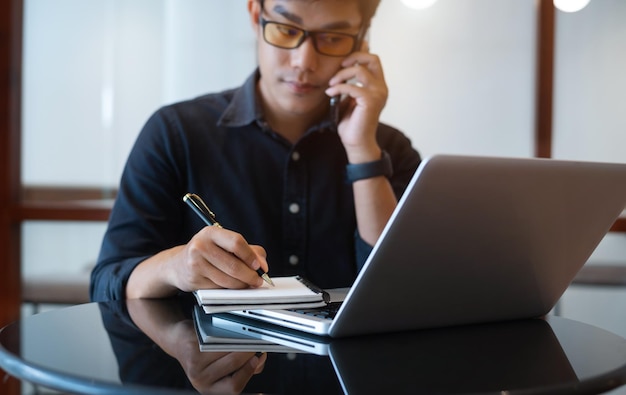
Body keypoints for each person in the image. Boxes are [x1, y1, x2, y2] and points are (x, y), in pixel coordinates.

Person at [90, 0, 421, 302]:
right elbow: (108, 280)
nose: (303, 61)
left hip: (345, 369)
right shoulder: (175, 132)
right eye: (287, 30)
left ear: (361, 42)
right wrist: (174, 267)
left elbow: (404, 290)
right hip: (210, 362)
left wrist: (362, 150)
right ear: (255, 15)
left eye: (333, 37)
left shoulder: (390, 150)